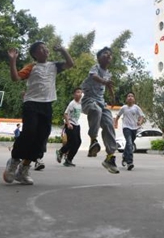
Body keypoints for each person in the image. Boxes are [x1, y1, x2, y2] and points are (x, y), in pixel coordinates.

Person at [3, 42, 74, 185]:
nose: (45, 49)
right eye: (41, 48)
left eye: (46, 47)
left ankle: (24, 169)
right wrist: (13, 61)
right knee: (29, 132)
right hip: (31, 103)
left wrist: (63, 49)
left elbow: (70, 63)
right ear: (35, 54)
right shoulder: (31, 67)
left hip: (47, 105)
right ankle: (14, 161)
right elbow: (15, 78)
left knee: (41, 137)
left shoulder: (54, 66)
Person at [80, 46, 120, 174]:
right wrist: (104, 81)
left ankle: (110, 157)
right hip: (89, 100)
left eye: (110, 54)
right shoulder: (95, 67)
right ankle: (93, 140)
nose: (108, 55)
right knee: (95, 110)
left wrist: (113, 97)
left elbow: (109, 86)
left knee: (109, 124)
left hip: (102, 103)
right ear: (99, 57)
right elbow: (95, 77)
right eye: (105, 54)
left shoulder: (108, 73)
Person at [114, 92, 145, 170]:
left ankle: (124, 155)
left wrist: (140, 122)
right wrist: (115, 124)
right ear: (126, 99)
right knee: (130, 143)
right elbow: (117, 116)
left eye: (132, 96)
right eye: (128, 96)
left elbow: (142, 116)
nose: (130, 97)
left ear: (134, 99)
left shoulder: (136, 108)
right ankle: (129, 162)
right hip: (126, 128)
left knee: (129, 144)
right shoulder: (123, 108)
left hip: (134, 129)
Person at [56, 87, 83, 167]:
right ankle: (61, 152)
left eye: (80, 92)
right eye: (78, 92)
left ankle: (69, 159)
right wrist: (68, 124)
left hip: (77, 125)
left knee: (78, 142)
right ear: (74, 94)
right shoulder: (72, 103)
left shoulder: (80, 103)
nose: (79, 94)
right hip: (70, 124)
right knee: (72, 142)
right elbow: (65, 114)